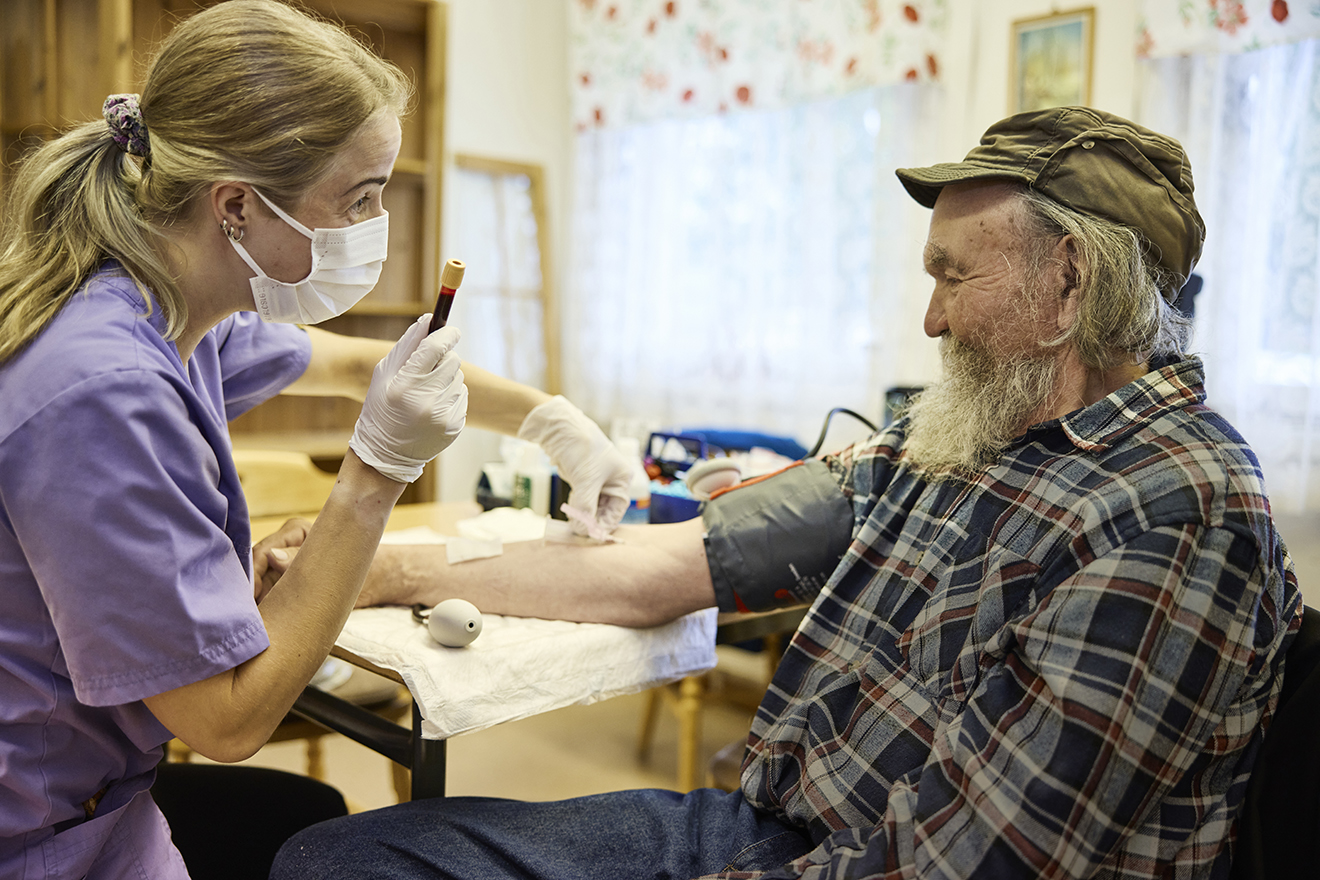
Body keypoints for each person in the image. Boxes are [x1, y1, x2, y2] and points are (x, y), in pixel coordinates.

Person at [271, 107, 1302, 879]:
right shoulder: (963, 438)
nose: (932, 322)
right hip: (765, 831)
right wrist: (366, 566)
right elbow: (663, 569)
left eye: (953, 275)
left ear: (1070, 282)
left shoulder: (1178, 509)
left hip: (856, 862)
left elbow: (964, 865)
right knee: (335, 860)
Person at [0, 2, 628, 879]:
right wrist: (376, 474)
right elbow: (229, 722)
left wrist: (550, 420)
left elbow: (356, 364)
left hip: (96, 791)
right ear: (237, 208)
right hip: (44, 827)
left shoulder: (171, 307)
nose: (374, 224)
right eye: (359, 198)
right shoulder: (104, 391)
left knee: (326, 823)